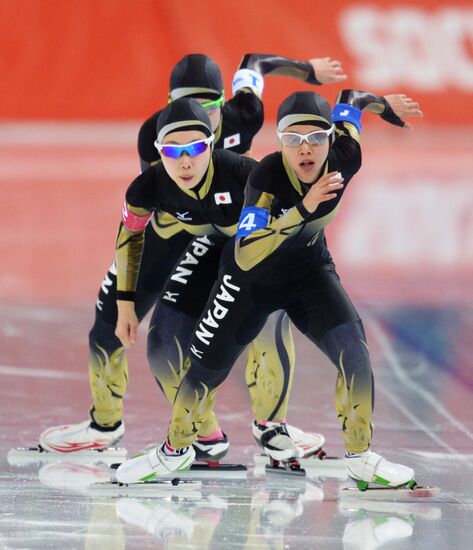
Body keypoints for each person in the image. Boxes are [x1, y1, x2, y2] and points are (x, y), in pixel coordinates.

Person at [39, 53, 346, 456]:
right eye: (187, 104)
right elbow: (157, 199)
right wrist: (129, 300)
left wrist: (306, 71)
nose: (199, 114)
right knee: (112, 317)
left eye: (209, 104)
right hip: (174, 229)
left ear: (224, 102)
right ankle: (107, 423)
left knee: (269, 317)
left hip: (232, 233)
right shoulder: (156, 136)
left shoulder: (245, 116)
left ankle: (272, 426)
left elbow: (254, 64)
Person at [115, 88, 424, 489]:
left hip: (308, 273)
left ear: (332, 138)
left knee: (355, 353)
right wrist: (303, 208)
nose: (305, 149)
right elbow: (246, 253)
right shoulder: (264, 177)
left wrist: (385, 107)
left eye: (315, 137)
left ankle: (360, 458)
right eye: (293, 140)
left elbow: (353, 100)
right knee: (202, 376)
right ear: (280, 143)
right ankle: (174, 452)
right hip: (249, 282)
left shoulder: (347, 156)